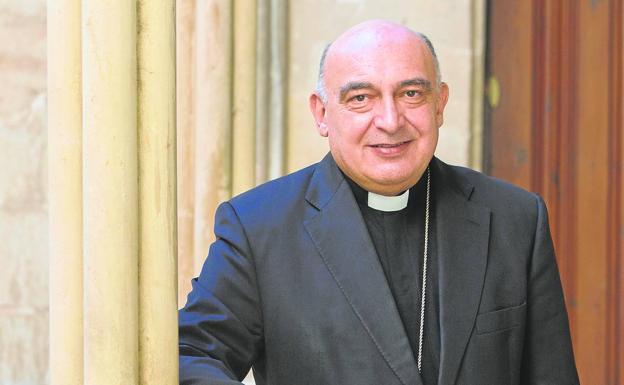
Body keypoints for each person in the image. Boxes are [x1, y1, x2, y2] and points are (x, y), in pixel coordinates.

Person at [179, 20, 579, 385]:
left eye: (410, 93)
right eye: (360, 98)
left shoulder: (516, 219)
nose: (390, 120)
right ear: (322, 114)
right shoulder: (258, 228)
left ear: (439, 104)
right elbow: (191, 354)